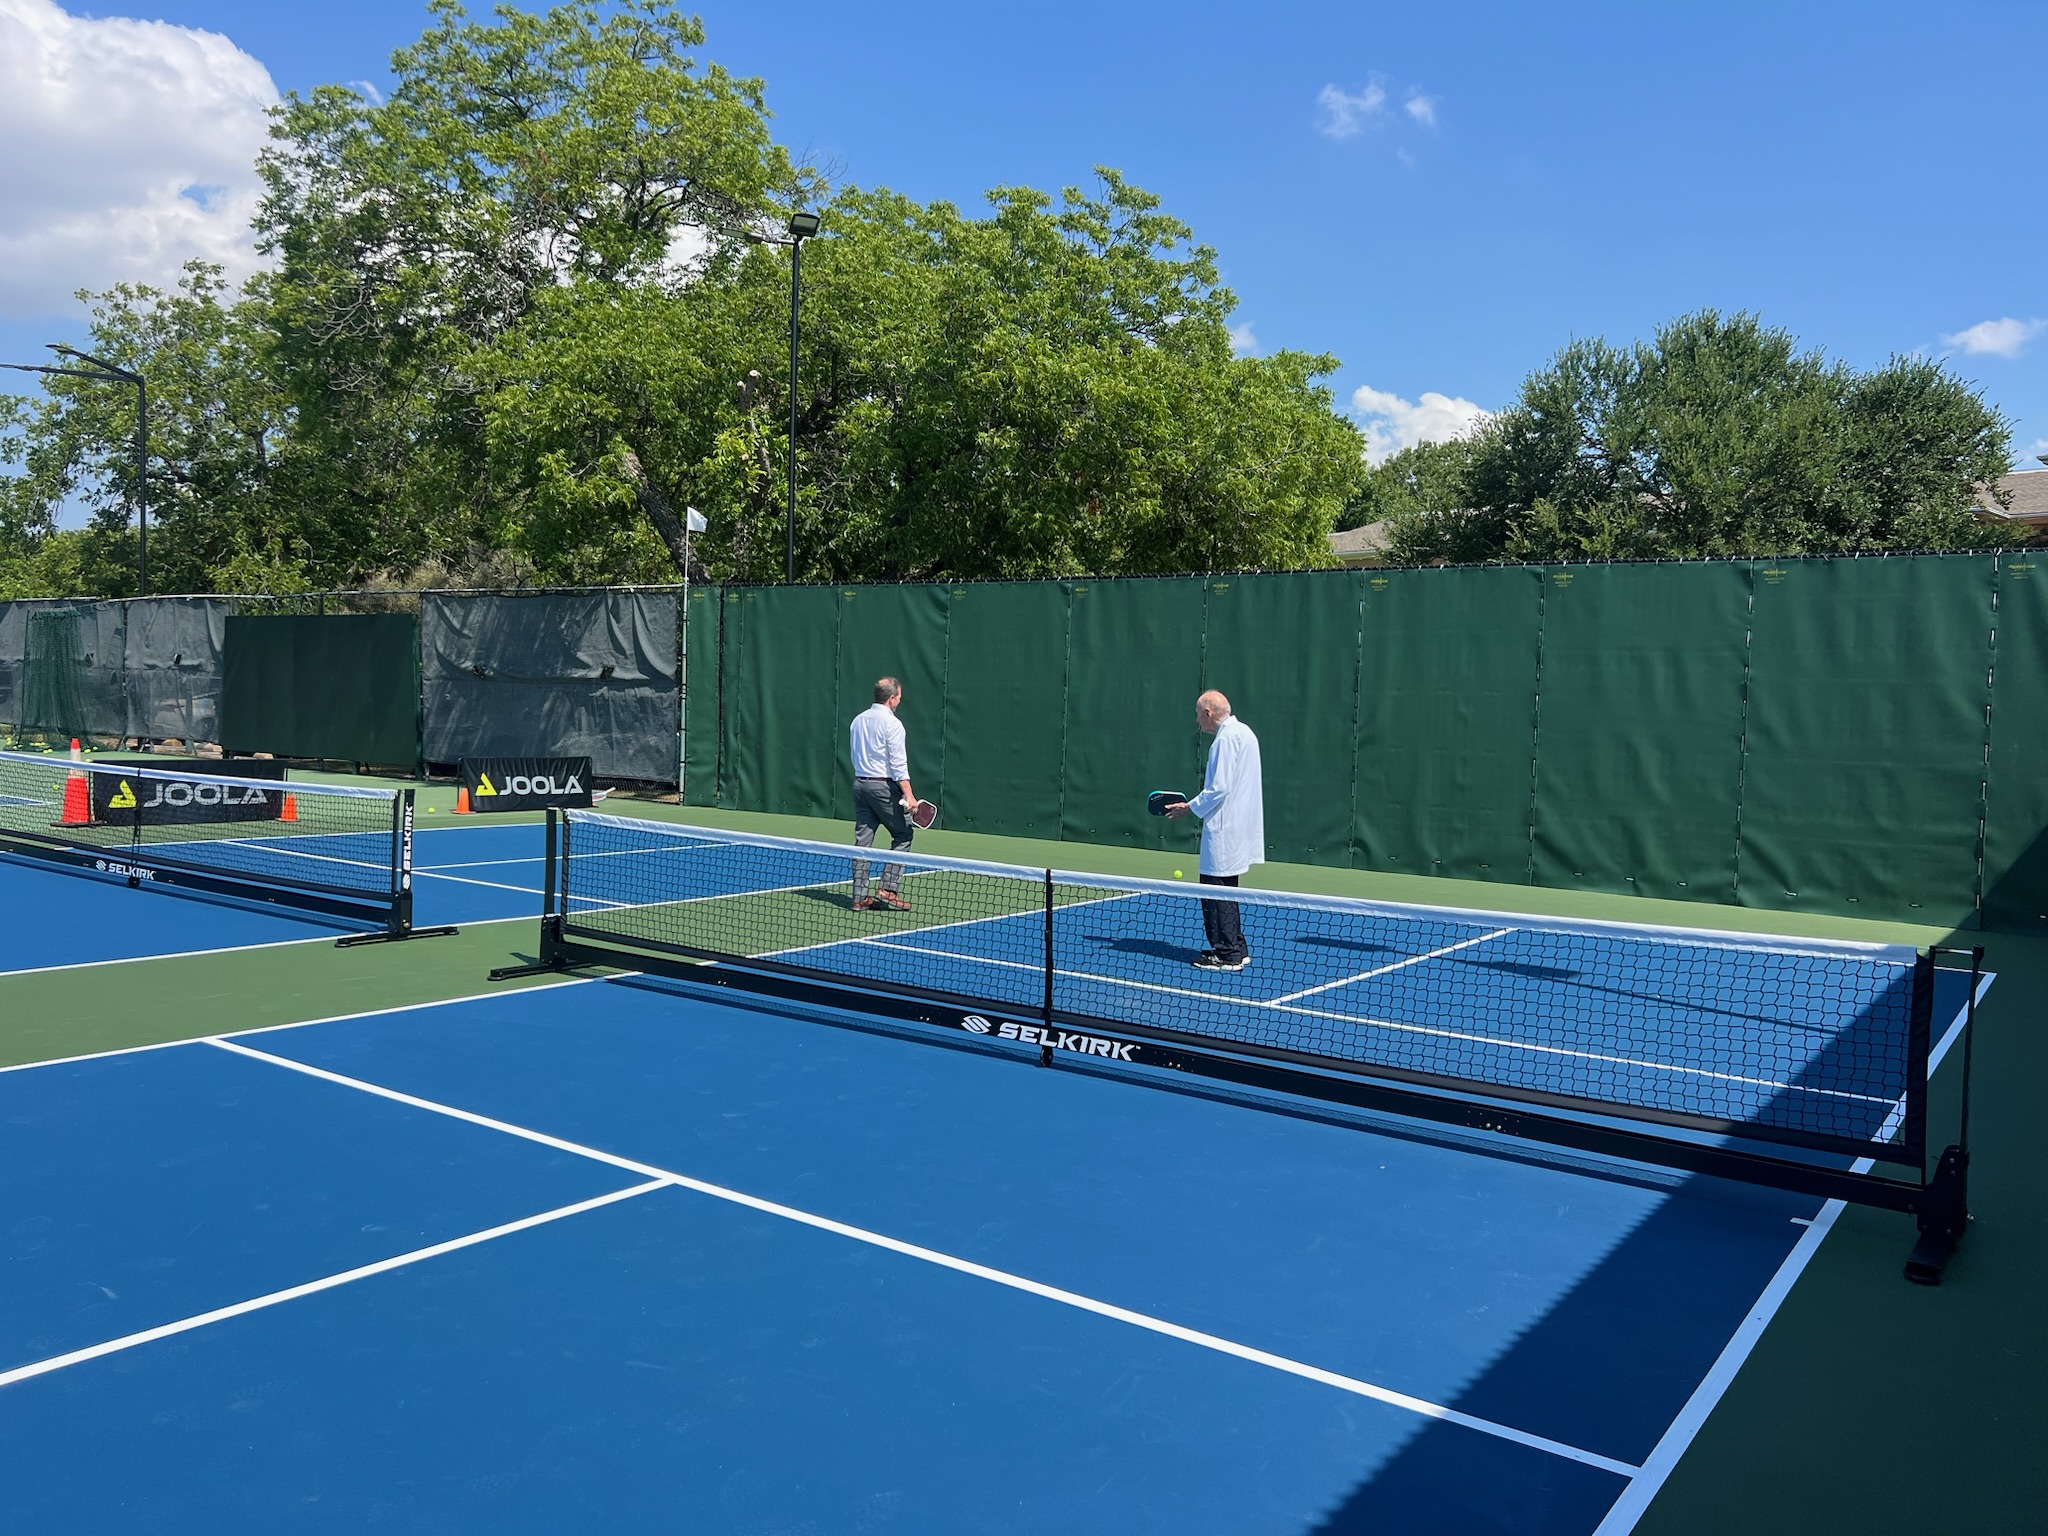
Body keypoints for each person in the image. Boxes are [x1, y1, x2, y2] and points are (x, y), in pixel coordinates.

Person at [1165, 689, 1264, 970]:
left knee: (1215, 891)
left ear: (1208, 713)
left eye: (1198, 715)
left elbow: (1218, 788)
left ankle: (1227, 954)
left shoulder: (1225, 740)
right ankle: (1236, 947)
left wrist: (1189, 808)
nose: (1198, 721)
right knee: (1228, 889)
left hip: (1224, 829)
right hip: (1237, 827)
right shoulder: (1245, 733)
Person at [849, 676, 919, 911]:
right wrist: (909, 796)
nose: (900, 699)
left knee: (862, 844)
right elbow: (899, 765)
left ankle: (859, 898)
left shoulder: (857, 720)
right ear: (892, 699)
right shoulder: (893, 724)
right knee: (903, 835)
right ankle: (888, 888)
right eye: (899, 696)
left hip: (860, 786)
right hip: (882, 788)